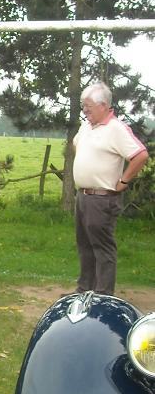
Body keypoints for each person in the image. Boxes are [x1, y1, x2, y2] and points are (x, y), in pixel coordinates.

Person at [72, 82, 149, 295]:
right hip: (83, 195)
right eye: (83, 106)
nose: (84, 110)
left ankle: (103, 295)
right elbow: (76, 145)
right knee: (84, 245)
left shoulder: (116, 129)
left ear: (103, 106)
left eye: (88, 106)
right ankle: (84, 291)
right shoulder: (86, 126)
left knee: (102, 247)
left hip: (102, 198)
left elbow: (140, 155)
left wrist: (123, 181)